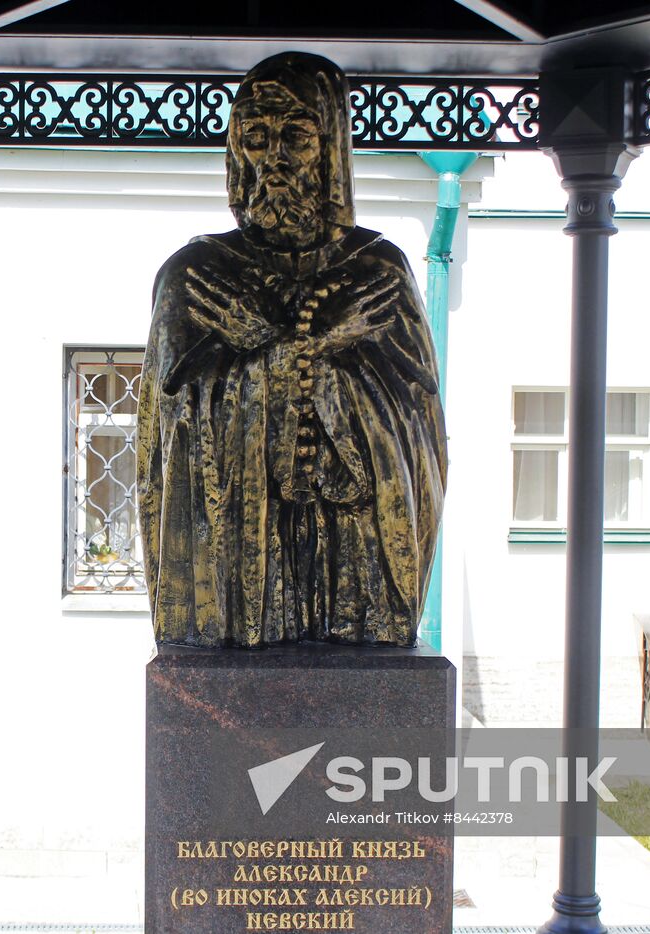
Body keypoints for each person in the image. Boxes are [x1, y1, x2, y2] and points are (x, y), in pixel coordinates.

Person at [136, 51, 447, 648]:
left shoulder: (376, 272)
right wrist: (274, 364)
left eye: (296, 135)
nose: (273, 158)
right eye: (255, 136)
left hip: (350, 549)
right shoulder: (196, 277)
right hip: (238, 560)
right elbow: (166, 439)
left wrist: (328, 365)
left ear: (330, 147)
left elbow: (417, 438)